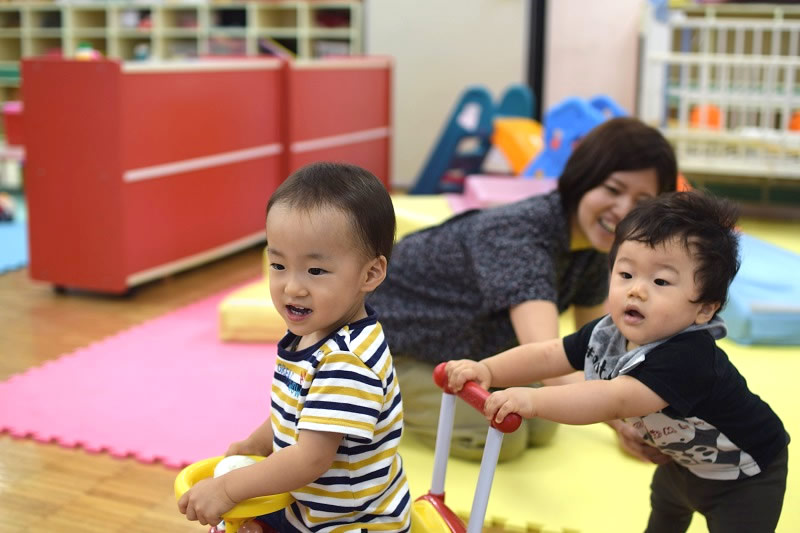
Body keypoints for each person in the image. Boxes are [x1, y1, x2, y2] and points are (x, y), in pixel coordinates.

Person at [445, 191, 789, 533]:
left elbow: (613, 398)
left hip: (746, 476)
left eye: (660, 281)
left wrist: (531, 400)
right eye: (626, 274)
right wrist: (488, 369)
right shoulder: (607, 332)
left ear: (703, 309)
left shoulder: (688, 356)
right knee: (665, 512)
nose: (636, 290)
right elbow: (550, 353)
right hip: (683, 464)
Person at [369, 117, 679, 462]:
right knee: (504, 438)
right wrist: (623, 421)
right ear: (582, 180)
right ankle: (372, 396)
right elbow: (548, 359)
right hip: (392, 346)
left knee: (544, 425)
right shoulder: (519, 236)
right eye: (612, 189)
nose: (623, 210)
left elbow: (598, 348)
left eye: (642, 201)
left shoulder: (596, 246)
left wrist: (646, 417)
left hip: (471, 351)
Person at [178, 162, 411, 532]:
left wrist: (227, 488)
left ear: (370, 274)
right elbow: (297, 411)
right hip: (307, 504)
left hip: (348, 523)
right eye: (278, 265)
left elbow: (309, 459)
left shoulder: (347, 363)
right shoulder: (315, 332)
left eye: (315, 271)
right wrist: (256, 443)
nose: (292, 287)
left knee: (230, 507)